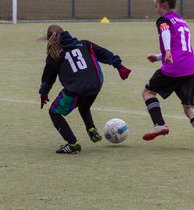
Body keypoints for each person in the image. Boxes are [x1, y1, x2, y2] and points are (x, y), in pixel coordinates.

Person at [39, 25, 131, 154]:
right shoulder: (85, 44)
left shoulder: (54, 55)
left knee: (54, 112)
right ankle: (91, 129)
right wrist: (120, 66)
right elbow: (105, 54)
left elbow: (48, 79)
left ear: (50, 39)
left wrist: (44, 94)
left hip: (76, 89)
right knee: (84, 105)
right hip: (95, 85)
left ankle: (73, 143)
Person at [142, 0, 194, 151]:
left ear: (164, 5)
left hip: (175, 67)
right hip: (192, 66)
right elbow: (180, 46)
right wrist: (159, 56)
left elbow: (166, 32)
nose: (156, 10)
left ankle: (159, 124)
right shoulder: (182, 21)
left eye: (156, 6)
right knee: (189, 108)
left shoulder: (163, 20)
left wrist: (166, 52)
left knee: (147, 93)